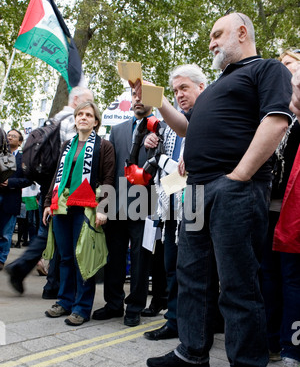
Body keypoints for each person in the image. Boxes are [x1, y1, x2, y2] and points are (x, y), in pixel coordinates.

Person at [141, 12, 293, 367]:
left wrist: (240, 176)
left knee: (238, 284)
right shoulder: (215, 89)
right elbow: (187, 128)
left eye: (216, 34)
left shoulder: (267, 69)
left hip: (234, 189)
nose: (210, 42)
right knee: (191, 275)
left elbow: (277, 119)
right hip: (195, 191)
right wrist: (155, 98)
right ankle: (192, 352)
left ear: (242, 33)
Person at [5, 87, 94, 296]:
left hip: (49, 183)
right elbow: (74, 155)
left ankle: (50, 284)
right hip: (62, 186)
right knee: (54, 233)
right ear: (76, 100)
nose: (88, 108)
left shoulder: (55, 119)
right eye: (86, 102)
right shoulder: (71, 122)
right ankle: (24, 269)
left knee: (52, 232)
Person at [142, 63, 209, 340]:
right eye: (175, 90)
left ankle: (198, 324)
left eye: (184, 88)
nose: (179, 94)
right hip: (171, 203)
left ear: (201, 87)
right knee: (172, 264)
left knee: (195, 269)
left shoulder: (209, 116)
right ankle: (174, 320)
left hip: (197, 202)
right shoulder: (170, 126)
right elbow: (165, 161)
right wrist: (150, 142)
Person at [43, 101, 115, 326]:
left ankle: (82, 307)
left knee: (82, 257)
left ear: (96, 122)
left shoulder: (104, 146)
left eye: (88, 115)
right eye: (80, 114)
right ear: (75, 119)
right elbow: (57, 176)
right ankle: (64, 301)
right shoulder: (67, 145)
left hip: (87, 207)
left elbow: (108, 179)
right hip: (62, 205)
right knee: (64, 257)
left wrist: (104, 208)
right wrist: (48, 202)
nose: (83, 117)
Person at [92, 86, 154, 327]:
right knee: (114, 257)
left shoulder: (161, 128)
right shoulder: (116, 130)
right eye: (135, 96)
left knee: (140, 260)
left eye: (143, 97)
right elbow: (110, 170)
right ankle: (114, 303)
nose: (138, 100)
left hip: (145, 204)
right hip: (116, 204)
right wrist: (104, 205)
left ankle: (135, 307)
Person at [261, 48, 300, 367]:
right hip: (267, 210)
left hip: (294, 217)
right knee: (267, 278)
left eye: (291, 67)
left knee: (292, 282)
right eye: (282, 67)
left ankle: (292, 351)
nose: (285, 73)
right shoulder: (272, 115)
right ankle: (271, 343)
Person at [0, 129, 31, 270]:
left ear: (19, 142)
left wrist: (10, 183)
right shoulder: (1, 154)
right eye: (8, 135)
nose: (10, 138)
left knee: (6, 233)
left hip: (11, 199)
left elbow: (28, 180)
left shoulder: (24, 159)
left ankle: (1, 259)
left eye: (14, 136)